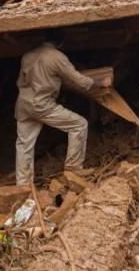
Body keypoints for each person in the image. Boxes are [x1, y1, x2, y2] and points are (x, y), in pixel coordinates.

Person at [14, 30, 112, 185]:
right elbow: (79, 81)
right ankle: (73, 169)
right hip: (42, 104)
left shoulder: (28, 56)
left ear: (45, 38)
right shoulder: (57, 57)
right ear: (60, 43)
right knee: (79, 125)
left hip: (24, 104)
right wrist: (101, 83)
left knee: (24, 144)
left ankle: (23, 185)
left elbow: (21, 81)